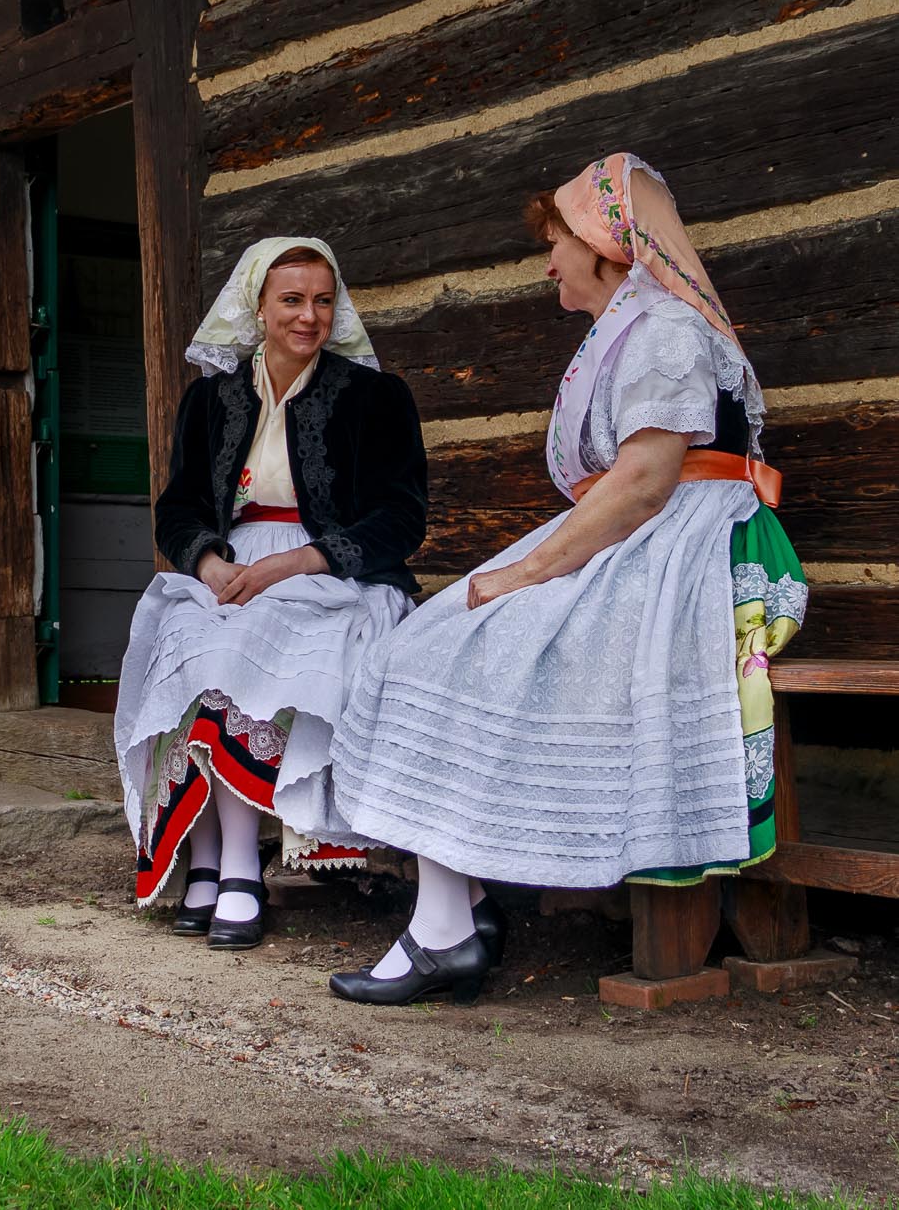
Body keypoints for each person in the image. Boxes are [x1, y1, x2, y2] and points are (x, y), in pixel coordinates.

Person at [326, 153, 806, 1006]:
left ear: (607, 245)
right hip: (649, 533)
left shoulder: (662, 329)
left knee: (470, 645)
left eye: (558, 242)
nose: (548, 262)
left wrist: (525, 575)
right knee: (436, 643)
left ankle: (448, 927)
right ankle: (452, 911)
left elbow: (647, 479)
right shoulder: (636, 325)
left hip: (687, 544)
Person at [115, 237, 427, 950]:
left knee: (241, 648)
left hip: (330, 575)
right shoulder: (211, 399)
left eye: (323, 300)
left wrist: (302, 561)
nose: (308, 317)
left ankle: (233, 869)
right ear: (257, 308)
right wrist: (209, 565)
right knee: (190, 638)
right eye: (291, 300)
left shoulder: (375, 397)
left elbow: (402, 518)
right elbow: (179, 507)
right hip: (226, 568)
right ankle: (212, 855)